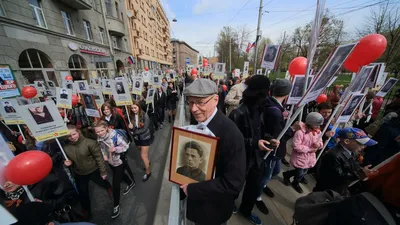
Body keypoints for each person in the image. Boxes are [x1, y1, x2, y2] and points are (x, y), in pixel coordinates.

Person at [181, 78, 246, 225]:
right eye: (190, 102)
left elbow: (233, 183)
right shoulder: (197, 121)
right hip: (198, 206)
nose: (193, 109)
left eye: (200, 102)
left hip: (213, 211)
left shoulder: (231, 134)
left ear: (215, 100)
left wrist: (193, 190)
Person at [229, 75, 276, 224]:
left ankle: (246, 210)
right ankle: (230, 203)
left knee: (253, 188)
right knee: (235, 186)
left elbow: (260, 132)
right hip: (241, 160)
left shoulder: (259, 110)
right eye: (264, 94)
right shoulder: (237, 113)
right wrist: (255, 143)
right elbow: (232, 141)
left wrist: (269, 139)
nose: (266, 98)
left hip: (257, 159)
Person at [63, 125, 112, 219]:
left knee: (102, 181)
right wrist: (67, 163)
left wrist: (103, 172)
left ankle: (108, 187)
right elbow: (68, 161)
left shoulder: (90, 143)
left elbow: (99, 158)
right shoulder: (66, 148)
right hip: (79, 173)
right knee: (83, 193)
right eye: (69, 136)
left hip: (93, 170)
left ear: (78, 132)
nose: (72, 137)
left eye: (74, 134)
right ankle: (87, 210)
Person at [258, 79, 293, 206]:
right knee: (266, 174)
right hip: (272, 150)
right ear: (287, 94)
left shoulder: (271, 104)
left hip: (276, 151)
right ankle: (257, 195)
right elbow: (278, 135)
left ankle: (263, 185)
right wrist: (293, 129)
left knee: (276, 171)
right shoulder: (275, 111)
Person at [313, 127, 378, 196]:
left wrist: (364, 171)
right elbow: (337, 178)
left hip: (338, 191)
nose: (363, 146)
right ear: (347, 141)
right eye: (360, 143)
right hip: (326, 193)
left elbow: (353, 167)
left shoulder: (353, 153)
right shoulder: (334, 155)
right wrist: (360, 173)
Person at [94, 120, 135, 219]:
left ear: (106, 128)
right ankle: (131, 183)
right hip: (111, 161)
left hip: (119, 161)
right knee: (119, 174)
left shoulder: (115, 135)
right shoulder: (99, 137)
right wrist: (104, 155)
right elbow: (101, 147)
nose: (99, 133)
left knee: (115, 183)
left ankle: (116, 206)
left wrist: (115, 149)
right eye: (97, 132)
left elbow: (126, 146)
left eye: (101, 131)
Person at [283, 112, 324, 193]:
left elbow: (321, 142)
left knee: (304, 172)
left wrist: (318, 145)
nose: (318, 127)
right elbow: (296, 146)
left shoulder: (317, 132)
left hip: (310, 157)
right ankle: (289, 176)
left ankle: (295, 181)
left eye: (319, 125)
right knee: (299, 172)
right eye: (316, 125)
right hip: (300, 157)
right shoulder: (300, 132)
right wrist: (309, 149)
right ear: (310, 123)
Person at [128, 101, 152, 182]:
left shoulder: (145, 115)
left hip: (145, 137)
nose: (134, 109)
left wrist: (134, 132)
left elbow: (145, 129)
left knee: (143, 156)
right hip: (137, 139)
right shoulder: (131, 116)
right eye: (132, 108)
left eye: (135, 107)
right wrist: (130, 127)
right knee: (142, 152)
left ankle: (148, 172)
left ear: (139, 107)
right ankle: (148, 162)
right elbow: (131, 127)